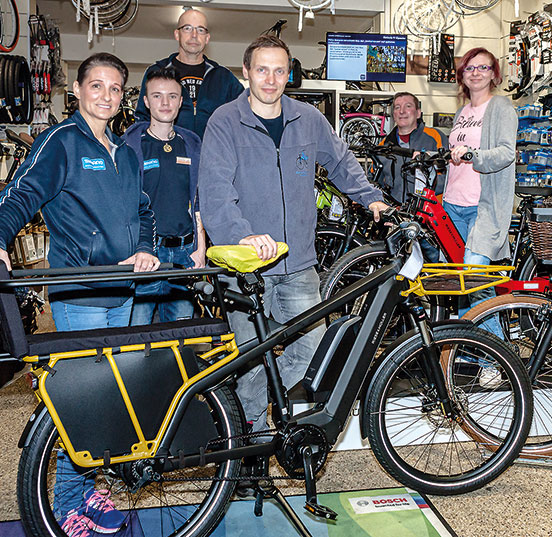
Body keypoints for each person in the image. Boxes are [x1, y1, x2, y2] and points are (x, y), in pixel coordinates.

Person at [0, 52, 159, 532]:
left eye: (115, 89)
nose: (106, 96)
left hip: (124, 293)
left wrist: (142, 250)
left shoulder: (126, 151)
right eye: (96, 86)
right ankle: (67, 504)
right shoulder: (61, 142)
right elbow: (21, 194)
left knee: (114, 400)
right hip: (79, 297)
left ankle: (97, 490)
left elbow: (144, 212)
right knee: (80, 402)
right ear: (75, 90)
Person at [198, 35, 388, 446]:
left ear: (289, 75)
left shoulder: (307, 119)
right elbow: (214, 193)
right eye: (262, 69)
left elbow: (340, 161)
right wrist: (242, 235)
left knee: (311, 350)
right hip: (247, 267)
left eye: (279, 70)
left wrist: (372, 199)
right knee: (250, 360)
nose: (271, 79)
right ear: (245, 72)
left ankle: (250, 409)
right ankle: (249, 445)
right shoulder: (225, 122)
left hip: (299, 263)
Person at [443, 47, 517, 337]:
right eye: (470, 68)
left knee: (475, 279)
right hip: (453, 204)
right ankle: (470, 348)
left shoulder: (501, 108)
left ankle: (493, 355)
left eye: (483, 68)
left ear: (494, 74)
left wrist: (473, 155)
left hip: (482, 206)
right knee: (461, 283)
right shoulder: (462, 112)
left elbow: (506, 153)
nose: (475, 72)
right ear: (462, 74)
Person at [124, 68, 206, 324]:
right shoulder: (129, 146)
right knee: (136, 340)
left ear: (181, 102)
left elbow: (199, 201)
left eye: (172, 96)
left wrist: (200, 249)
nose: (165, 103)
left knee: (179, 341)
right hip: (145, 254)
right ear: (146, 101)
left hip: (184, 254)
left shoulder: (191, 144)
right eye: (157, 96)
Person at [134, 8, 243, 138]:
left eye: (200, 30)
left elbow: (244, 116)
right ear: (177, 34)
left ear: (207, 38)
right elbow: (142, 118)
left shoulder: (224, 77)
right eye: (187, 28)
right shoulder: (157, 71)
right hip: (168, 152)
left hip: (213, 154)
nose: (194, 35)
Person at [379, 91, 448, 204]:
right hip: (395, 215)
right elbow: (377, 180)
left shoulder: (435, 137)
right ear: (394, 115)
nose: (402, 111)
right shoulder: (384, 145)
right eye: (397, 107)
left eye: (408, 106)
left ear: (418, 113)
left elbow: (448, 175)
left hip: (428, 213)